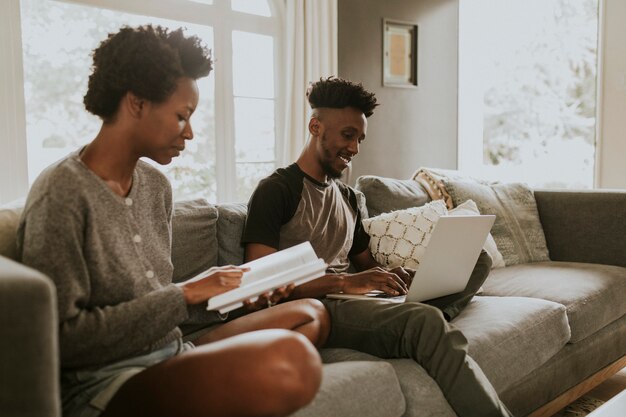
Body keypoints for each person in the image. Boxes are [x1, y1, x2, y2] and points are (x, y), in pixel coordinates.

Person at [17, 25, 329, 417]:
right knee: (291, 361)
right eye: (182, 116)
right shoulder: (62, 192)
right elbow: (61, 340)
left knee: (311, 313)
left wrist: (230, 296)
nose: (191, 132)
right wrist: (184, 294)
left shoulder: (155, 186)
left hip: (170, 351)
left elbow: (159, 301)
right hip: (106, 380)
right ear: (136, 103)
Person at [243, 76, 512, 417]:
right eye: (347, 135)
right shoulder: (277, 190)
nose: (355, 148)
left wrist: (393, 276)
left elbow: (365, 263)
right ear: (315, 127)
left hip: (356, 301)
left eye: (360, 139)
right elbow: (257, 281)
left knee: (478, 260)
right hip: (318, 306)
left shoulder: (348, 197)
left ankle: (416, 319)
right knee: (426, 322)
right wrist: (344, 283)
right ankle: (421, 325)